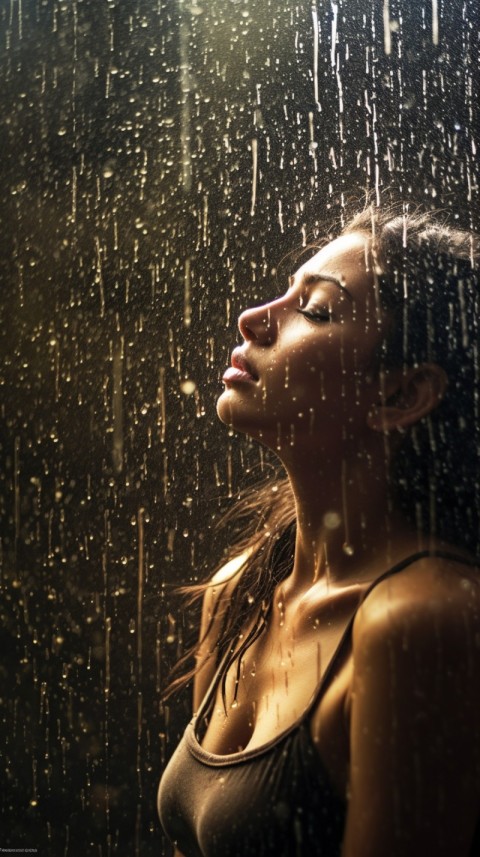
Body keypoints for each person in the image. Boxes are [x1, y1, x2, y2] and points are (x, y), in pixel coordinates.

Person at [157, 203, 480, 856]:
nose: (254, 318)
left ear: (402, 395)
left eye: (316, 309)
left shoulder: (426, 619)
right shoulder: (242, 589)